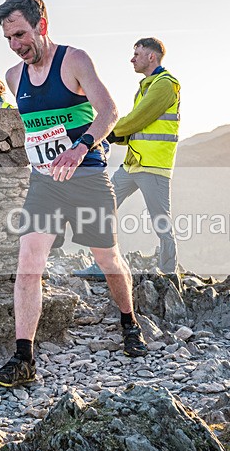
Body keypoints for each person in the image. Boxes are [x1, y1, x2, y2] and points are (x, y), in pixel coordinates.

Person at [0, 0, 147, 389]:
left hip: (88, 176)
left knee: (108, 260)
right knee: (29, 264)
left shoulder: (73, 60)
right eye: (9, 39)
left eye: (21, 35)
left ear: (41, 26)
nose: (16, 45)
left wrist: (79, 147)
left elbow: (108, 111)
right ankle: (24, 358)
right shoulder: (13, 77)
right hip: (45, 183)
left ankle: (128, 321)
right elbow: (35, 128)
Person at [77, 37, 181, 277]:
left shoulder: (166, 85)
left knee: (161, 223)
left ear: (151, 56)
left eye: (137, 54)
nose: (132, 59)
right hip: (133, 164)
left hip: (154, 166)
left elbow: (139, 119)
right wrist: (115, 137)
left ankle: (169, 274)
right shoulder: (145, 86)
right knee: (104, 207)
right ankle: (103, 265)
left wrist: (106, 131)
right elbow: (137, 129)